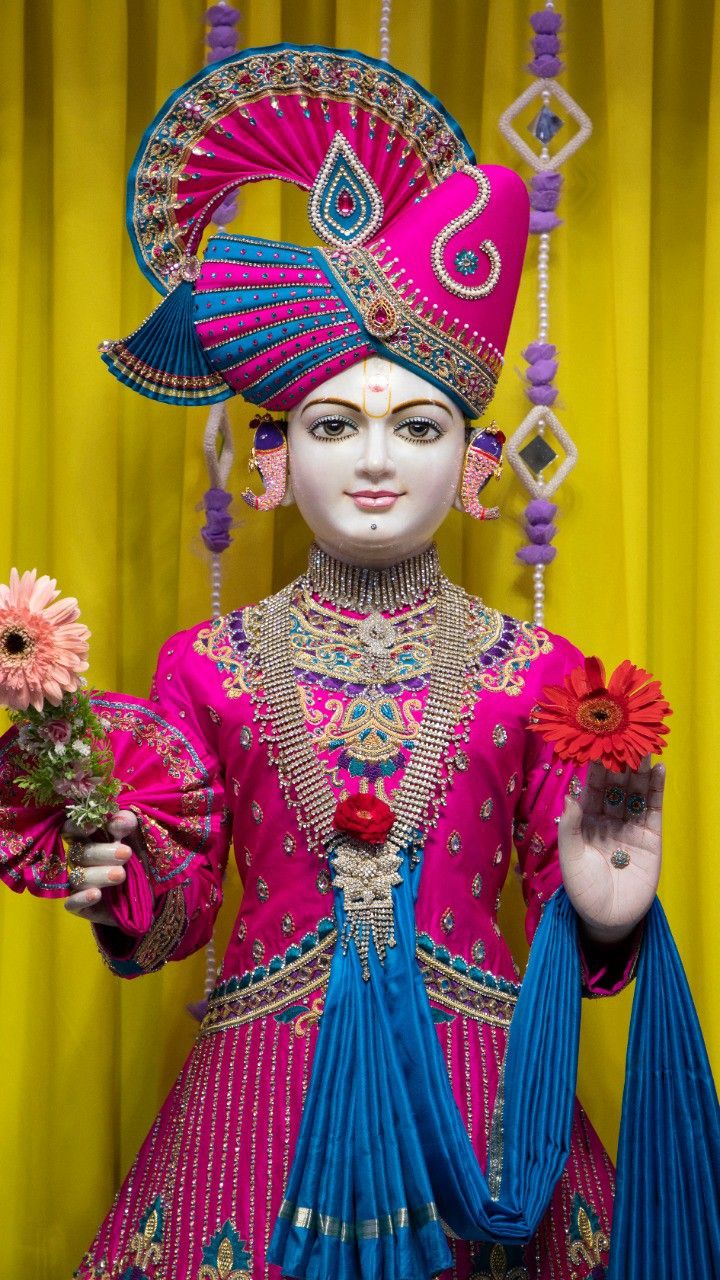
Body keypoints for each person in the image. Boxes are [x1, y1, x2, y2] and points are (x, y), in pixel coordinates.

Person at [0, 41, 702, 1280]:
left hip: (482, 1120)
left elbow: (568, 908)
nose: (376, 460)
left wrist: (601, 921)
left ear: (475, 465)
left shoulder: (544, 673)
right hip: (258, 1120)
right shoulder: (207, 665)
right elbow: (187, 901)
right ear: (277, 459)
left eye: (418, 424)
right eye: (336, 424)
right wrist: (124, 886)